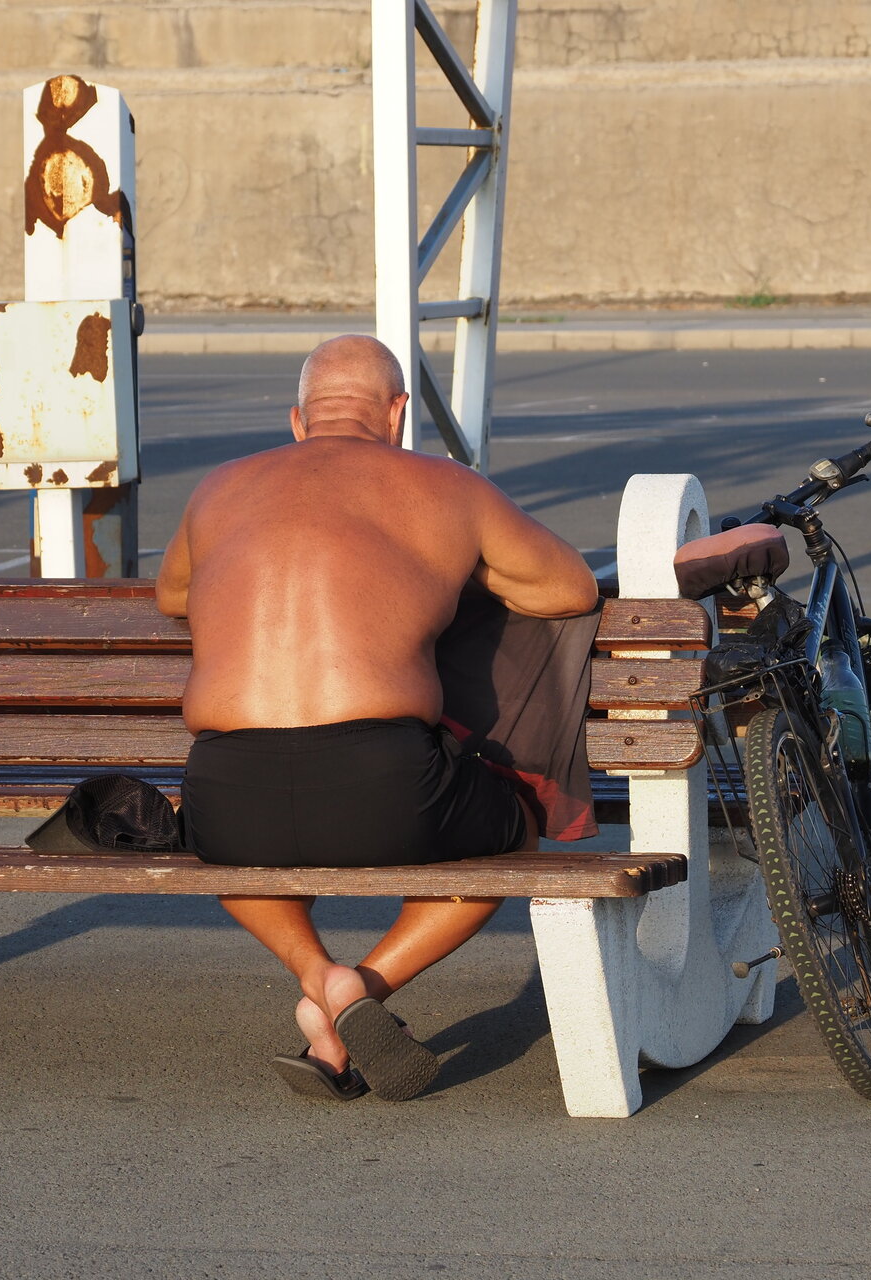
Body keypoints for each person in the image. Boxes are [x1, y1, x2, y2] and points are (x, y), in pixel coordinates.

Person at [155, 335, 598, 1101]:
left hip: (226, 788)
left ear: (299, 420)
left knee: (226, 850)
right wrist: (448, 570)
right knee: (508, 837)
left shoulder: (219, 486)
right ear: (396, 413)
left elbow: (172, 594)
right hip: (386, 783)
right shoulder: (445, 487)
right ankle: (361, 987)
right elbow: (571, 588)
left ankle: (317, 977)